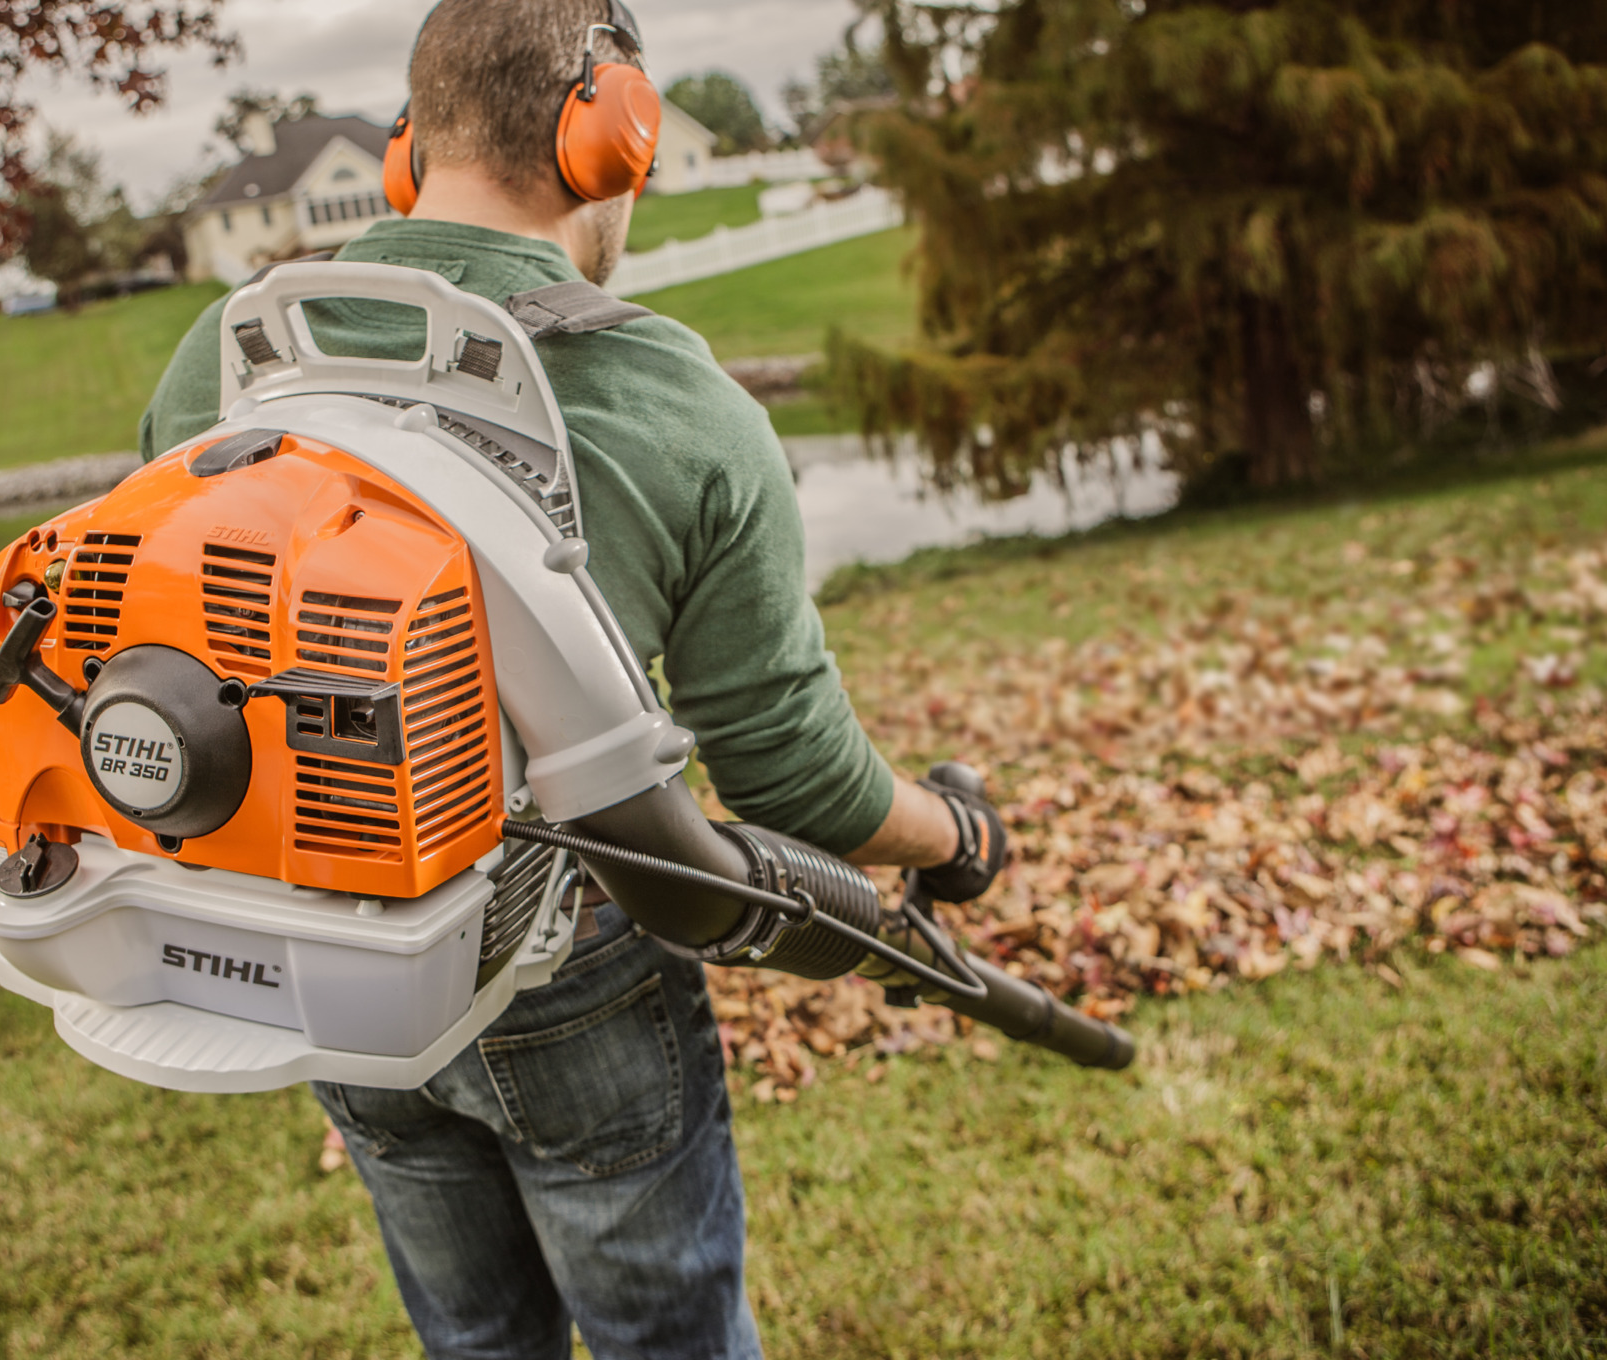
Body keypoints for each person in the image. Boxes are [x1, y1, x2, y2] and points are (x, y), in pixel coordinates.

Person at [138, 3, 990, 1355]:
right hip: (567, 947)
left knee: (476, 1340)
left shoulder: (227, 359)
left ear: (411, 153)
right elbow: (792, 779)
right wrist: (956, 832)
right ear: (612, 135)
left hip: (331, 954)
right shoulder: (668, 400)